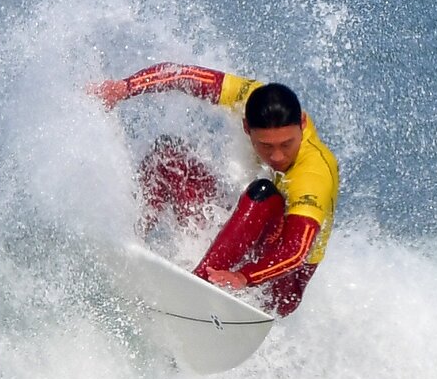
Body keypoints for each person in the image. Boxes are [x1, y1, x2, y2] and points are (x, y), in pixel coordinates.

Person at [89, 64, 339, 317]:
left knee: (264, 194)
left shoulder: (314, 173)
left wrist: (244, 276)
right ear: (246, 127)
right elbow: (184, 75)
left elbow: (296, 252)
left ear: (303, 123)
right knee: (168, 159)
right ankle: (129, 244)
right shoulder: (249, 97)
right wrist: (125, 87)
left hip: (280, 285)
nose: (277, 156)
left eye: (287, 144)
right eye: (265, 146)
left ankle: (197, 287)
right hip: (246, 246)